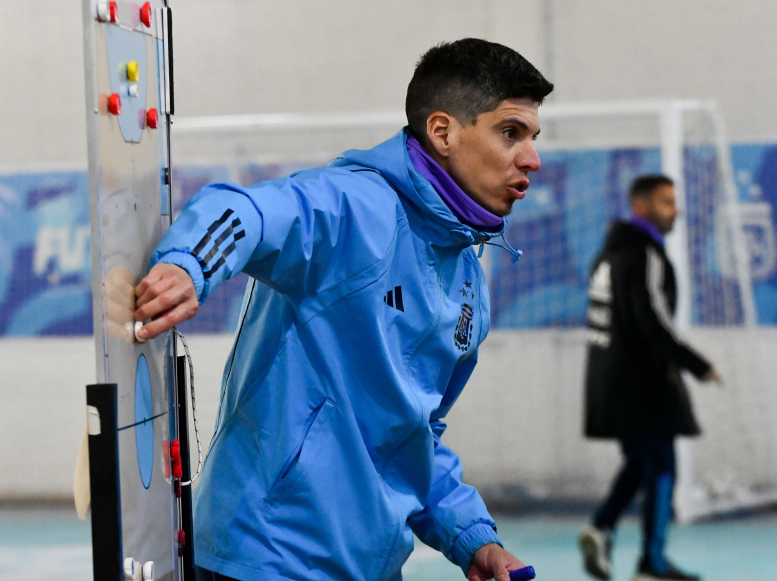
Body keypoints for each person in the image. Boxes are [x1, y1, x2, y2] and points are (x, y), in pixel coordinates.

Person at [133, 38, 554, 581]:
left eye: (533, 138)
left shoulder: (467, 279)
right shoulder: (355, 206)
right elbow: (245, 209)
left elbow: (414, 435)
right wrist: (190, 264)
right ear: (443, 132)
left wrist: (472, 538)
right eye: (510, 132)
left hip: (369, 568)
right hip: (266, 560)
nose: (532, 159)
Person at [578, 174, 723, 581]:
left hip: (608, 383)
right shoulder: (645, 255)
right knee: (662, 470)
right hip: (643, 388)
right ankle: (652, 564)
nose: (675, 211)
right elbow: (654, 321)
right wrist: (695, 363)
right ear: (640, 207)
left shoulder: (607, 255)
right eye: (665, 202)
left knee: (639, 465)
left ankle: (601, 526)